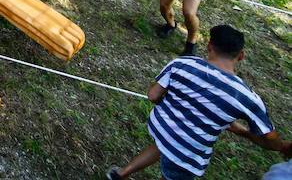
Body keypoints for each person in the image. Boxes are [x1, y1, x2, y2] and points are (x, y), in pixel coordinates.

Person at [107, 25, 291, 180]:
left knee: (165, 143)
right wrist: (278, 145)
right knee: (175, 160)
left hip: (163, 128)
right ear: (241, 56)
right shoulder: (247, 97)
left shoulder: (183, 63)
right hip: (189, 150)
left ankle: (121, 174)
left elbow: (153, 95)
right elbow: (270, 138)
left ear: (209, 46)